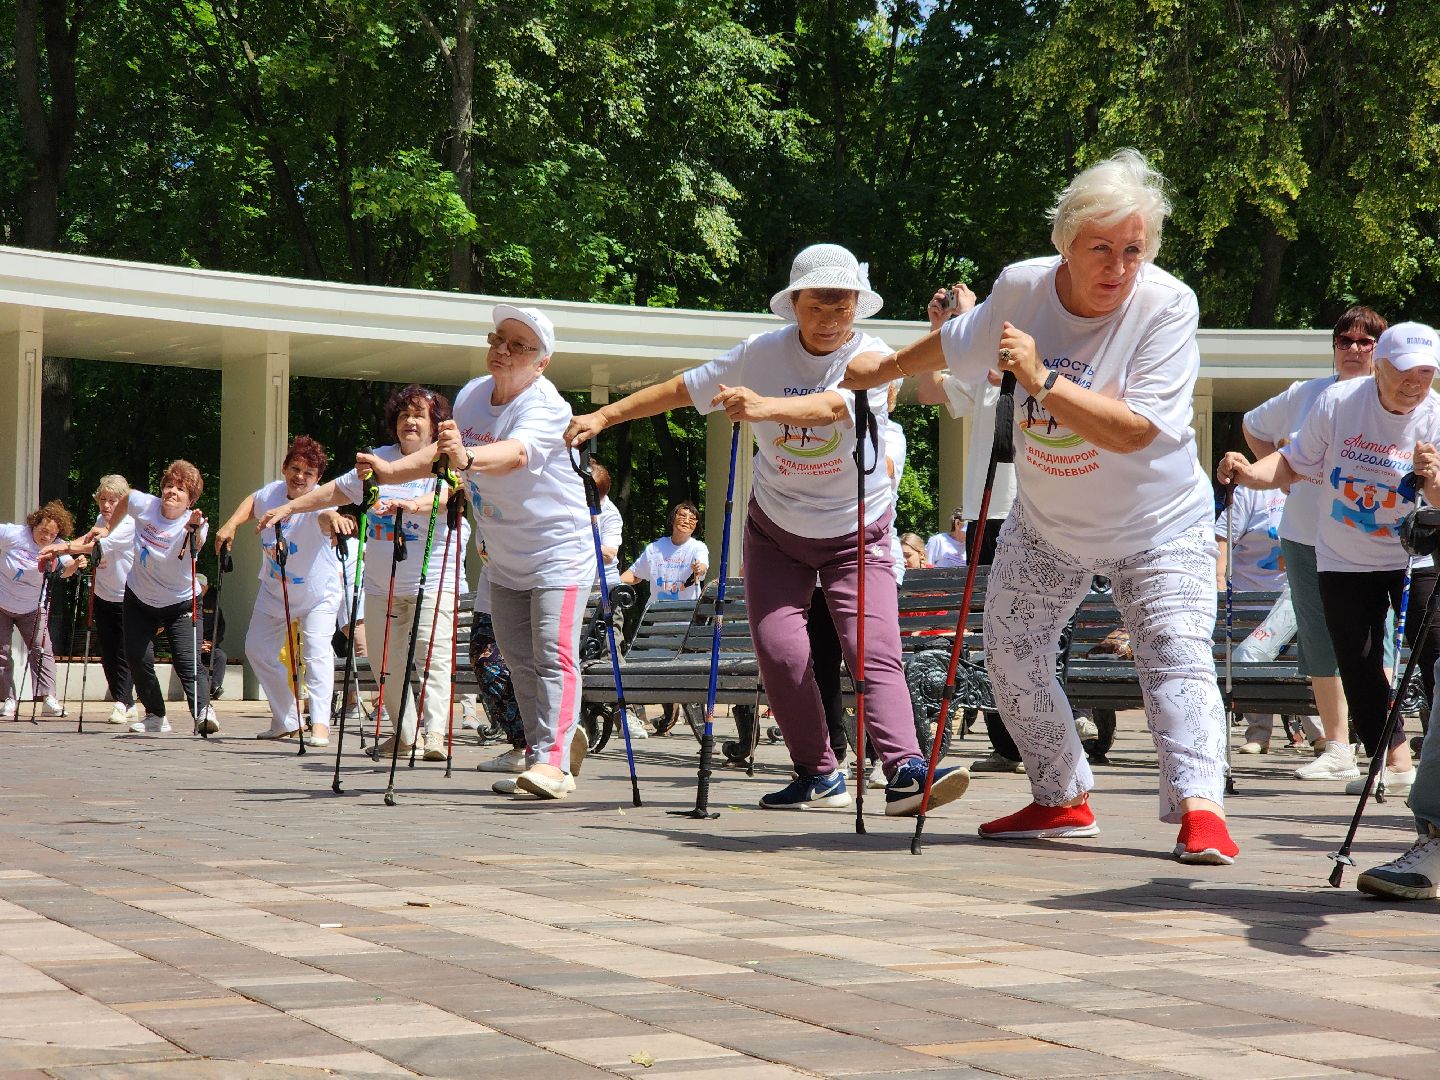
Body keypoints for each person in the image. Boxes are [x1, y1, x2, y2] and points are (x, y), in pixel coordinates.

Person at [844, 150, 1238, 863]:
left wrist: (1042, 379)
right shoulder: (1022, 286)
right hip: (1049, 522)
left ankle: (1200, 809)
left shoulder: (1167, 305)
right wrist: (885, 367)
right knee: (1009, 650)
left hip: (1158, 522)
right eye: (1100, 248)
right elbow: (960, 339)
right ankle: (1061, 797)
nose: (1119, 266)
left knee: (1175, 654)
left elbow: (1135, 431)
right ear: (1065, 242)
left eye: (1133, 249)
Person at [566, 242, 970, 816]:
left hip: (856, 530)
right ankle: (817, 773)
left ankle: (905, 768)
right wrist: (605, 415)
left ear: (857, 306)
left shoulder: (873, 357)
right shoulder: (759, 353)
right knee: (779, 652)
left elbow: (836, 407)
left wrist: (764, 407)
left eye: (841, 307)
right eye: (816, 307)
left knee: (871, 647)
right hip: (777, 529)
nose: (829, 320)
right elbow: (683, 389)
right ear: (793, 305)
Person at [359, 306, 593, 799]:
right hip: (502, 557)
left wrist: (467, 458)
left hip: (558, 552)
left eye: (518, 345)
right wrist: (390, 471)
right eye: (498, 338)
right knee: (517, 659)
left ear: (542, 362)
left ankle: (553, 764)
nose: (503, 350)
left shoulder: (546, 405)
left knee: (552, 655)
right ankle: (547, 746)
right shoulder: (471, 395)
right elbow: (444, 452)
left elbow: (515, 454)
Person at [1219, 322, 1440, 800]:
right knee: (1358, 666)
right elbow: (1294, 462)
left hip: (1414, 559)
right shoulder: (1338, 402)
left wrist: (1433, 479)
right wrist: (1249, 474)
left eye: (1426, 373)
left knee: (1436, 659)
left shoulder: (1436, 416)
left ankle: (1434, 769)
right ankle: (1385, 760)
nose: (1415, 384)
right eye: (1405, 372)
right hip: (1344, 556)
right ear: (1380, 367)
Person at [257, 387, 466, 761]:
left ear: (435, 423)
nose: (409, 421)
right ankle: (405, 735)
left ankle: (435, 734)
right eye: (403, 415)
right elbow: (334, 491)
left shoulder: (445, 457)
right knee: (386, 662)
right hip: (381, 582)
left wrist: (410, 505)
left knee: (430, 654)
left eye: (418, 415)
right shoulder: (378, 459)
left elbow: (445, 495)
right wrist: (290, 509)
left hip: (432, 578)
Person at [1242, 306, 1391, 781]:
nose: (1354, 349)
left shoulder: (1392, 399)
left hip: (1370, 541)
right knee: (1318, 641)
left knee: (1375, 643)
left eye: (1365, 341)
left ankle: (1385, 748)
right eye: (1344, 340)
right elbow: (1253, 426)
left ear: (1381, 349)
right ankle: (1337, 746)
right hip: (1305, 535)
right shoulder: (1306, 393)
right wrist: (1283, 475)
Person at [919, 283, 1027, 773]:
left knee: (1027, 625)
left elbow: (1010, 373)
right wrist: (940, 330)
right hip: (986, 512)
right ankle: (1006, 745)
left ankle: (1037, 736)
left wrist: (966, 322)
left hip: (1031, 509)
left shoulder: (1033, 360)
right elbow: (928, 390)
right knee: (989, 628)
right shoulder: (977, 371)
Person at [58, 461, 214, 736]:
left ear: (191, 499)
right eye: (169, 486)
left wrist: (193, 530)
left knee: (186, 660)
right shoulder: (146, 504)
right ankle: (156, 715)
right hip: (139, 597)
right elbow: (127, 498)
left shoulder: (196, 523)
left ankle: (203, 712)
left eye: (181, 489)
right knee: (136, 656)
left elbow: (198, 542)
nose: (172, 492)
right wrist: (109, 528)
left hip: (180, 602)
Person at [216, 436, 348, 745]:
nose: (300, 477)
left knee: (316, 652)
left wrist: (335, 519)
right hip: (275, 589)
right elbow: (253, 501)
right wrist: (231, 524)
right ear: (284, 468)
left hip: (319, 593)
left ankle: (320, 724)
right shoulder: (272, 493)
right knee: (257, 650)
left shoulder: (320, 499)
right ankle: (288, 719)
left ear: (318, 478)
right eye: (295, 469)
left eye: (308, 473)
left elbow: (326, 516)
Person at [1214, 485, 1311, 754]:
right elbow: (1222, 539)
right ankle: (1258, 734)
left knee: (1308, 661)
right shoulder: (1251, 491)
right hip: (1250, 601)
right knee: (1250, 658)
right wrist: (1219, 584)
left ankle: (1320, 735)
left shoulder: (1315, 483)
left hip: (1296, 599)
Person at [0, 502, 84, 718]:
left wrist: (76, 565)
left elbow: (66, 570)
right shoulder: (13, 534)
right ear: (34, 524)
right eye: (43, 530)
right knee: (1, 652)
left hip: (32, 606)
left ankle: (48, 698)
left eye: (52, 534)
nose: (46, 537)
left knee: (42, 649)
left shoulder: (58, 545)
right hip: (2, 602)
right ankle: (8, 699)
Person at [89, 476, 137, 724]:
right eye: (103, 499)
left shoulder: (128, 523)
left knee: (124, 652)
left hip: (127, 596)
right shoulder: (100, 520)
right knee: (107, 652)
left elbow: (97, 545)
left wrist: (62, 548)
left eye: (113, 500)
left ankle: (121, 702)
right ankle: (127, 702)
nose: (106, 505)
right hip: (103, 595)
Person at [622, 502, 708, 601]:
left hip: (688, 609)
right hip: (657, 609)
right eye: (682, 516)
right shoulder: (654, 548)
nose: (686, 521)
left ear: (696, 525)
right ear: (673, 518)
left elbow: (702, 567)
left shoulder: (698, 547)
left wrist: (699, 568)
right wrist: (612, 583)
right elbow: (635, 574)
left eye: (692, 519)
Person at [199, 574, 227, 700]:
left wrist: (212, 643)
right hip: (193, 645)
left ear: (206, 587)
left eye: (201, 586)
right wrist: (198, 644)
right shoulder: (187, 602)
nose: (199, 588)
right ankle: (203, 687)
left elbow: (220, 626)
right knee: (193, 659)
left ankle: (215, 687)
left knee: (220, 656)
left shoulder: (213, 603)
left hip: (210, 645)